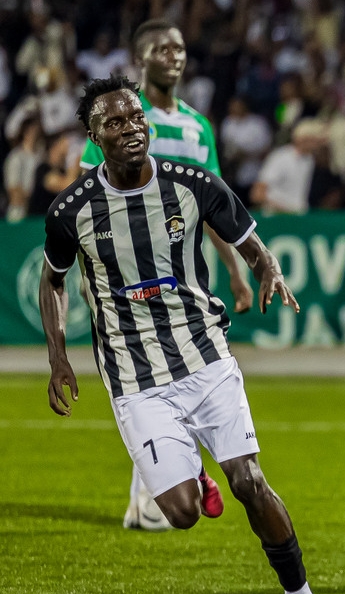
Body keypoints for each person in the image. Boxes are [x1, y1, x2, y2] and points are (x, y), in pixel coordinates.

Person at [39, 76, 322, 594]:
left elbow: (245, 237)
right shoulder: (71, 209)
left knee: (249, 480)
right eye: (115, 123)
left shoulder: (192, 184)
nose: (131, 129)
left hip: (205, 355)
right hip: (133, 373)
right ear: (93, 135)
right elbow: (52, 281)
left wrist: (267, 265)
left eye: (136, 118)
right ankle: (193, 477)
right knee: (181, 514)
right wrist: (58, 357)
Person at [78, 18, 254, 531]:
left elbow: (216, 207)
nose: (173, 54)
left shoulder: (198, 128)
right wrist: (93, 278)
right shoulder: (123, 118)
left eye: (178, 47)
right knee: (141, 378)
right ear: (142, 60)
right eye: (161, 47)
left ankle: (174, 482)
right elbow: (92, 193)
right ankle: (165, 489)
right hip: (126, 277)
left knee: (185, 375)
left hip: (185, 278)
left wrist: (237, 272)